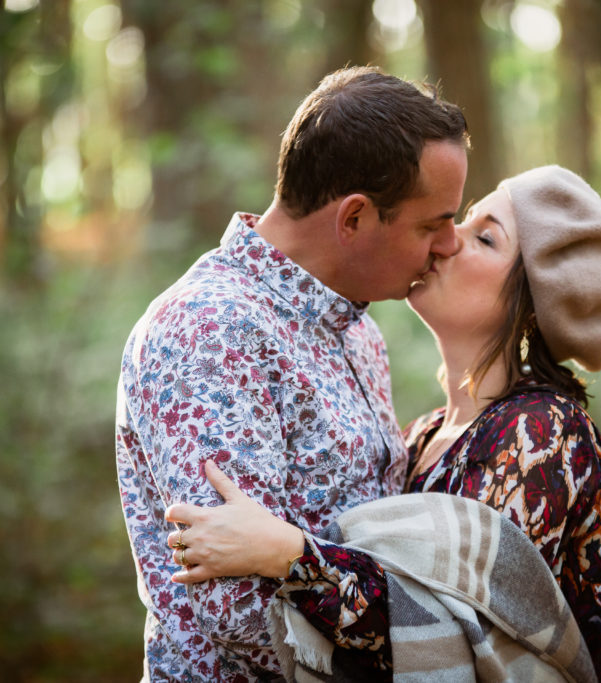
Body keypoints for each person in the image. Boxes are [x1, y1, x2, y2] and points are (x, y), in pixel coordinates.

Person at [165, 165, 601, 681]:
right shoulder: (422, 437)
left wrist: (286, 553)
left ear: (533, 303)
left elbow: (461, 640)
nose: (445, 237)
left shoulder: (544, 434)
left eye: (484, 237)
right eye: (464, 217)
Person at [115, 66, 469, 681]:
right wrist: (428, 647)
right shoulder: (210, 332)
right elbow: (239, 609)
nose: (450, 244)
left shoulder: (356, 326)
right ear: (354, 218)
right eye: (431, 223)